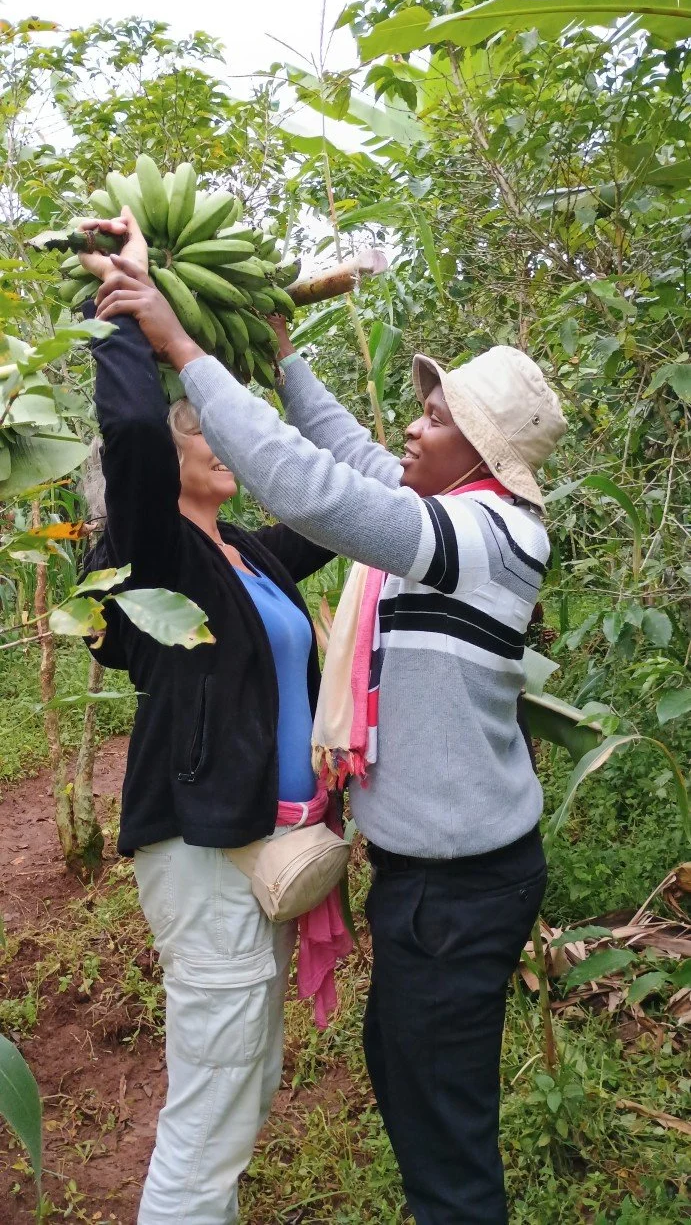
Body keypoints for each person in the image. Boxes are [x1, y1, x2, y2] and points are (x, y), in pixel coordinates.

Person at [95, 239, 568, 1225]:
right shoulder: (440, 518)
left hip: (449, 887)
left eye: (433, 417)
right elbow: (353, 470)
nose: (410, 424)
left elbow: (323, 491)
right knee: (380, 1092)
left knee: (429, 1131)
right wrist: (277, 359)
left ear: (479, 450)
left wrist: (184, 345)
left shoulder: (474, 535)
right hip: (370, 875)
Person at [78, 212, 350, 1225]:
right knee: (210, 1117)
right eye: (202, 426)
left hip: (261, 851)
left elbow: (337, 506)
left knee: (246, 1082)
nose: (213, 436)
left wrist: (282, 364)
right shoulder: (154, 558)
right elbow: (139, 433)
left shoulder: (248, 551)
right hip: (206, 852)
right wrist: (129, 318)